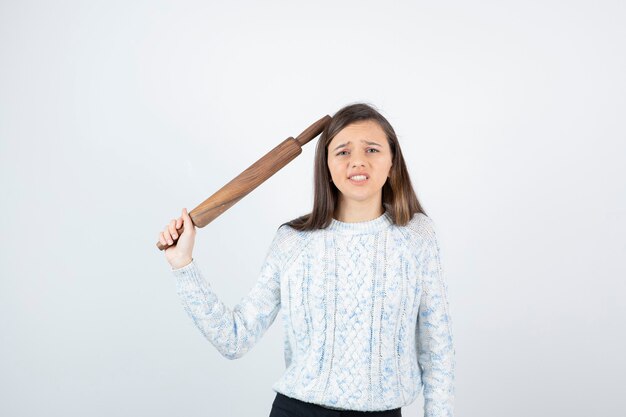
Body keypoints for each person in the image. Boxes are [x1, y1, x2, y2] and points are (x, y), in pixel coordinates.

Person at [158, 103, 456, 417]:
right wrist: (183, 264)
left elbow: (437, 353)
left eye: (372, 149)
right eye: (342, 151)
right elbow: (234, 338)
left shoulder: (417, 236)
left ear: (392, 162)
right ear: (325, 164)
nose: (357, 161)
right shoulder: (293, 241)